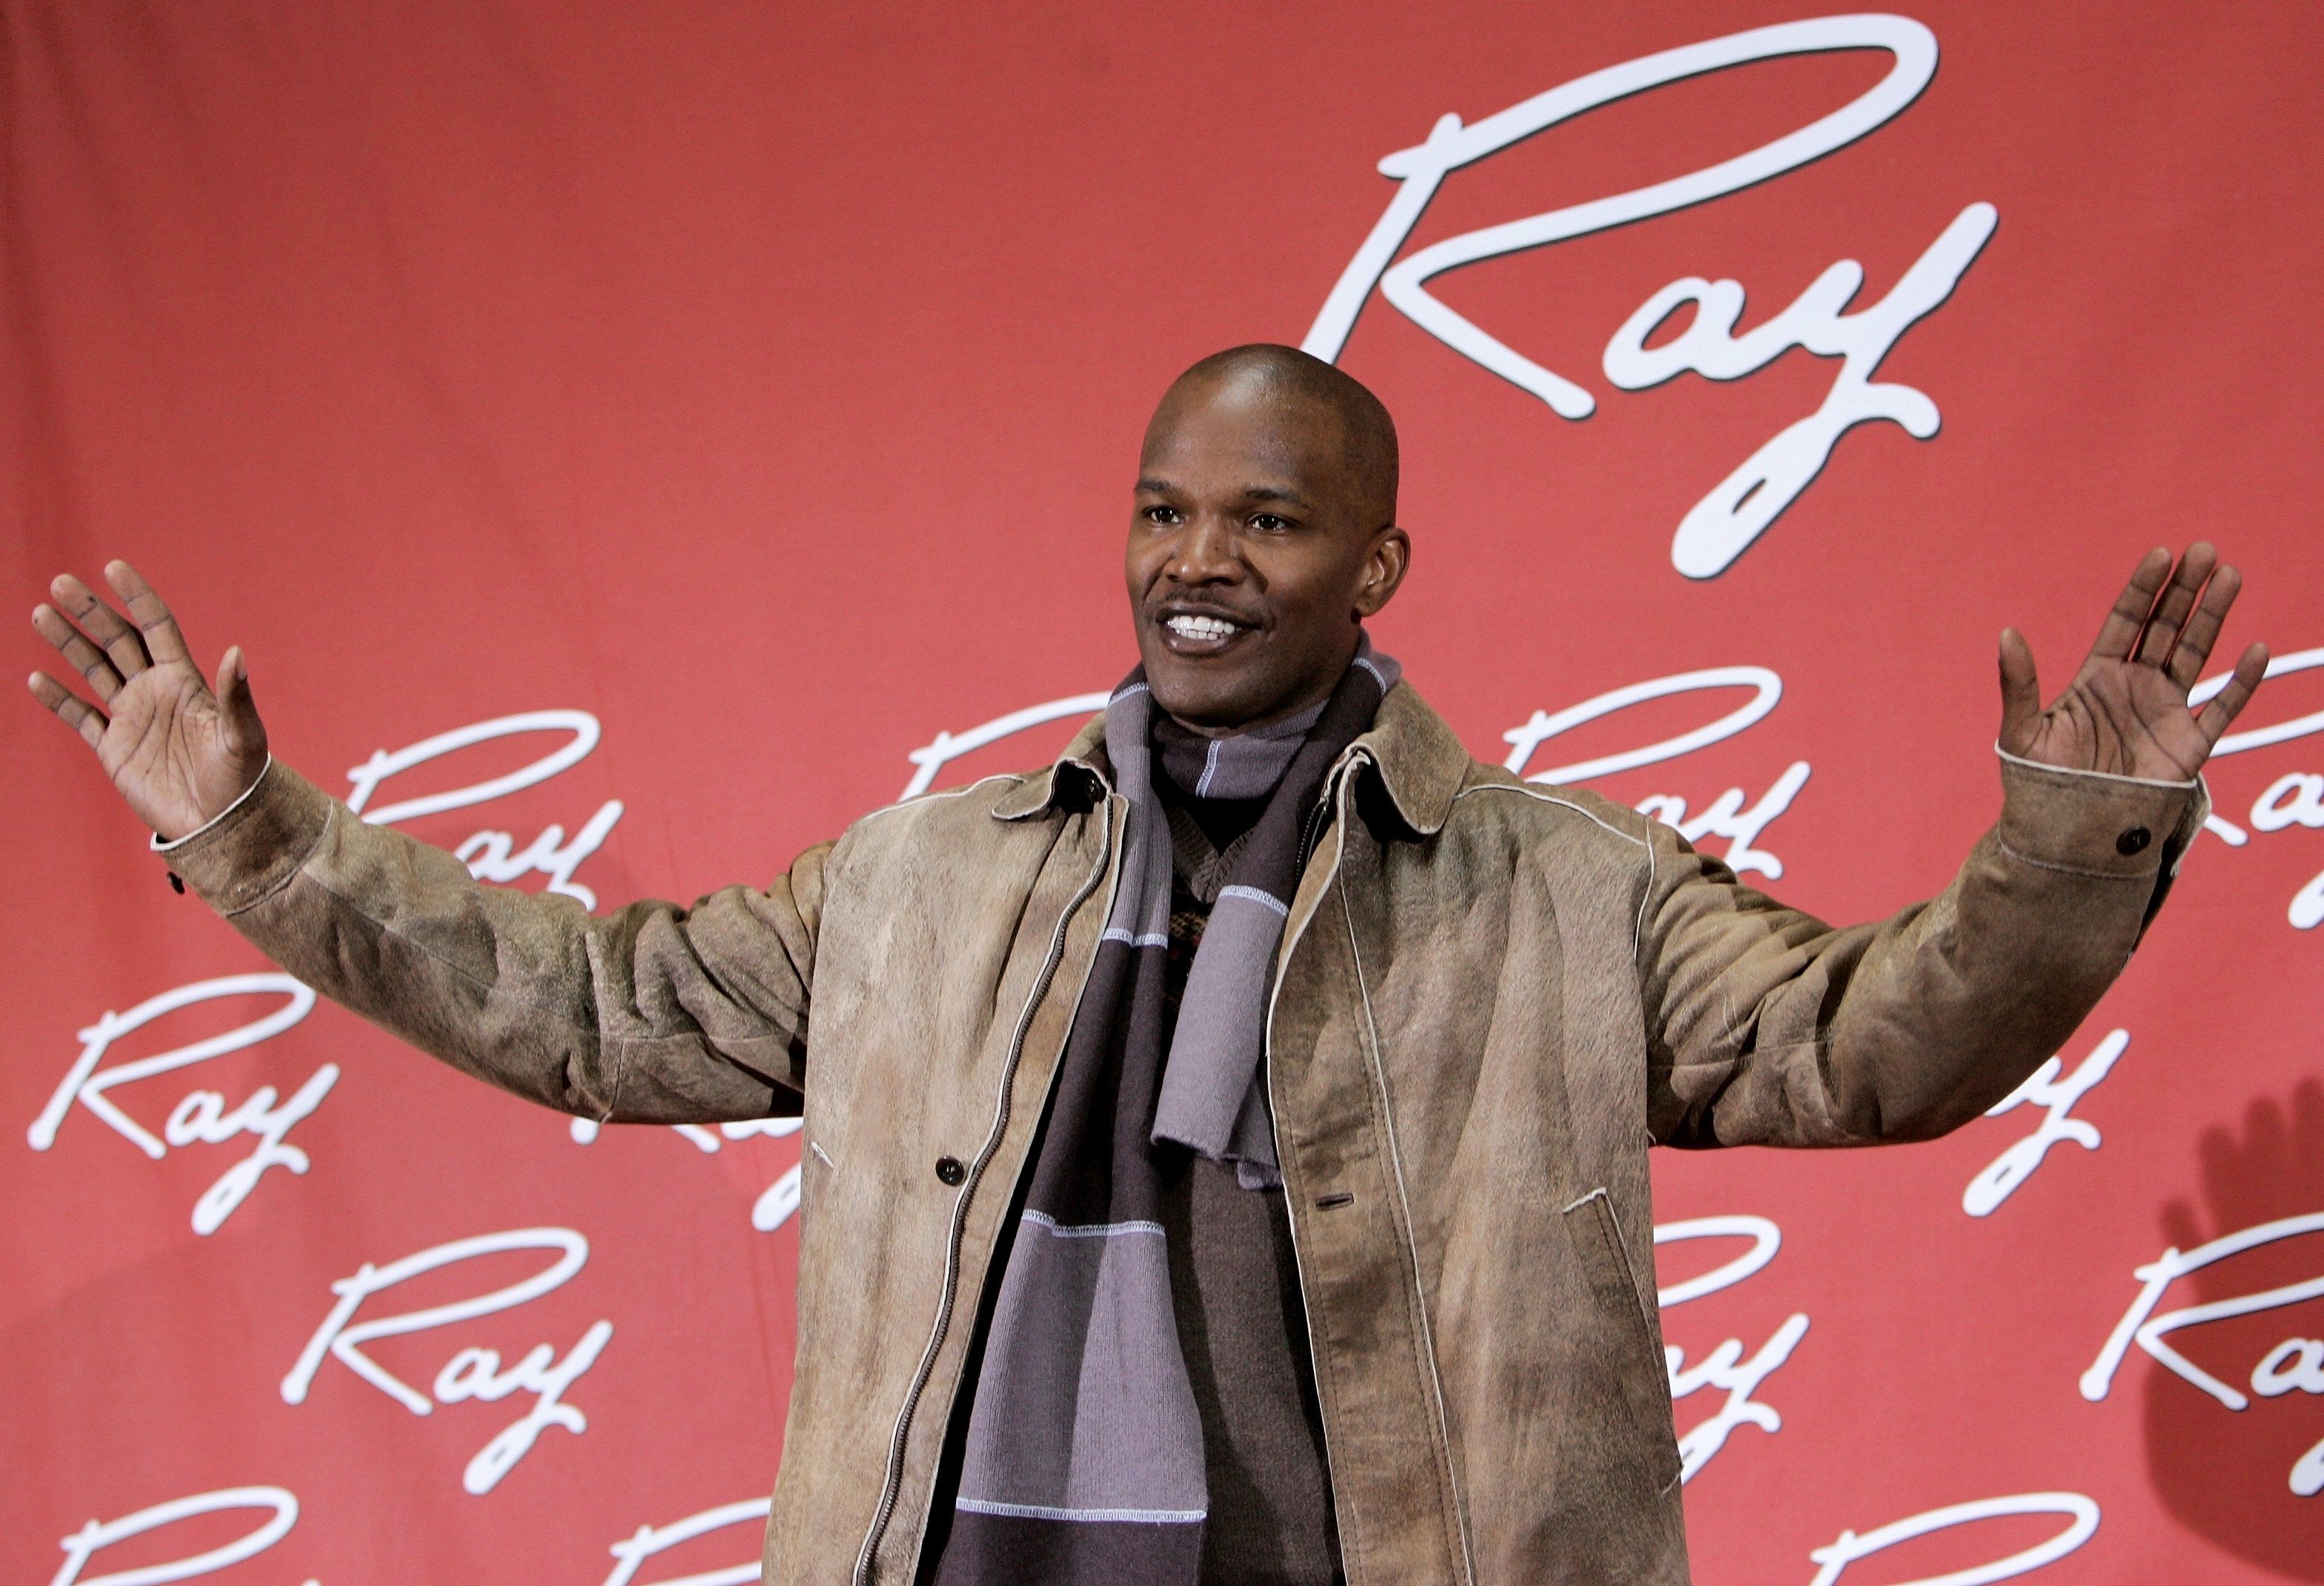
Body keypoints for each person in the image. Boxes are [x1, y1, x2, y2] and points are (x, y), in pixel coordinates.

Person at [26, 345, 2268, 1586]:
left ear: (1378, 556)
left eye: (1269, 520)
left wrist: (2073, 851)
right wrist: (251, 832)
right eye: (1164, 511)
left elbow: (1858, 1047)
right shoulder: (921, 881)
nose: (1200, 563)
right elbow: (597, 1004)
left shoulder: (1557, 887)